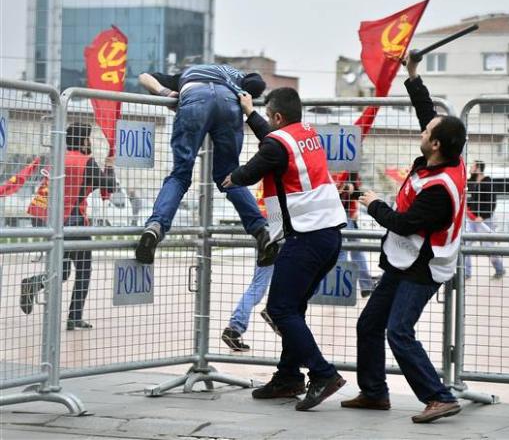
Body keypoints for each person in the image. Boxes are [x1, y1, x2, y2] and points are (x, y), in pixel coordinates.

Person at [340, 56, 465, 424]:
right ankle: (375, 393)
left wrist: (372, 203)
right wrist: (413, 75)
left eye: (428, 133)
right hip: (403, 259)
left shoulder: (440, 187)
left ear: (437, 144)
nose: (422, 132)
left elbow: (404, 223)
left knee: (398, 331)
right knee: (369, 325)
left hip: (423, 265)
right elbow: (427, 113)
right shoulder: (447, 157)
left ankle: (438, 396)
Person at [222, 87, 348, 411]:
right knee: (294, 308)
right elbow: (272, 143)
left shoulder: (278, 145)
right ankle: (289, 378)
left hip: (304, 238)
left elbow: (252, 170)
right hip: (328, 235)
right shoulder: (305, 134)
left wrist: (230, 178)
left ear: (277, 117)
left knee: (280, 310)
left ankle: (323, 374)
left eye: (267, 116)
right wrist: (250, 113)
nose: (266, 121)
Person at [134, 64, 277, 267]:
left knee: (180, 175)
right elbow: (258, 84)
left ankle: (155, 227)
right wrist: (242, 93)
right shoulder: (236, 74)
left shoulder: (186, 75)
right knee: (230, 176)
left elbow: (144, 76)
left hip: (193, 98)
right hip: (229, 102)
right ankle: (262, 232)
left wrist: (165, 93)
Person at [20, 123, 117, 330]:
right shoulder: (86, 162)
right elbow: (109, 186)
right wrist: (109, 166)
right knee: (83, 269)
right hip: (72, 223)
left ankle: (35, 282)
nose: (90, 142)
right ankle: (74, 316)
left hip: (46, 220)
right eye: (88, 138)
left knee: (62, 270)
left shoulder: (55, 157)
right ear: (83, 141)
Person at [332, 171, 374, 297]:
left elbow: (354, 192)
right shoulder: (331, 165)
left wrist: (350, 189)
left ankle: (364, 285)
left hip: (347, 213)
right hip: (337, 213)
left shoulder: (351, 170)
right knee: (344, 249)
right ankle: (341, 287)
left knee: (354, 248)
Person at [464, 160, 504, 280]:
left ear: (479, 168)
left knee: (488, 246)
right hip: (471, 219)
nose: (471, 167)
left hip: (485, 220)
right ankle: (466, 273)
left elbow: (492, 202)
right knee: (465, 244)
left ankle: (499, 269)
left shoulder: (488, 182)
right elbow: (468, 199)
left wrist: (483, 216)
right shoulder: (470, 182)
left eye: (473, 166)